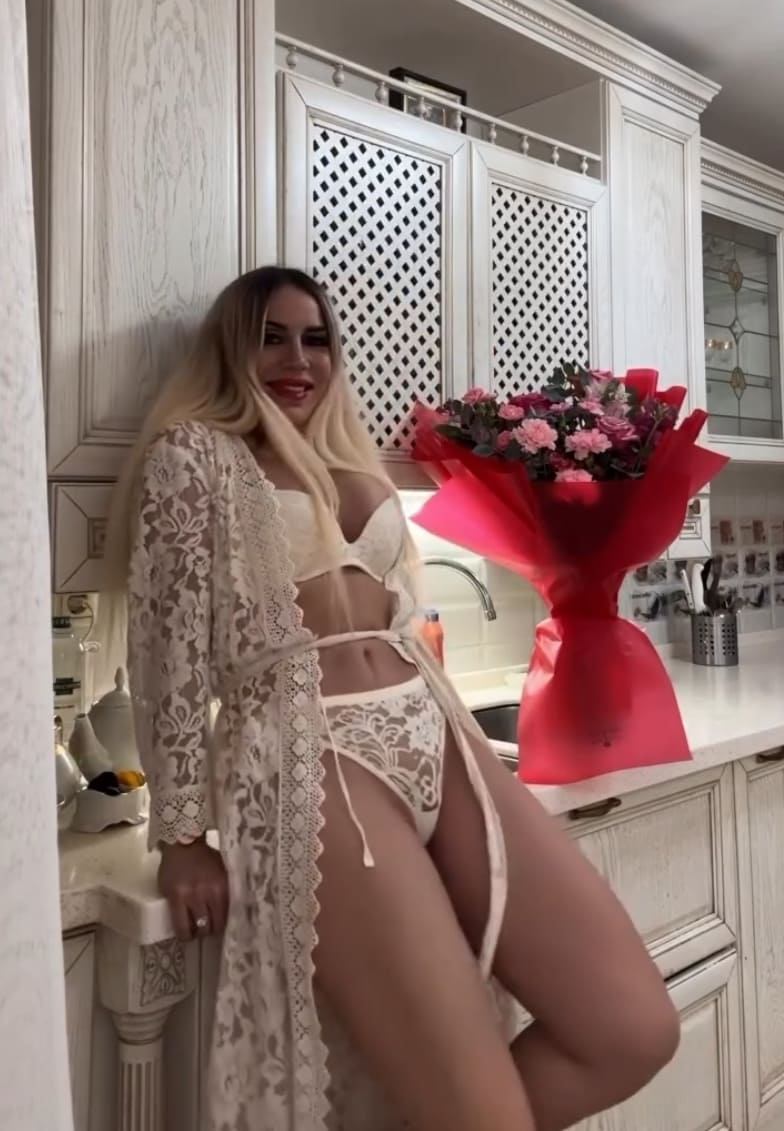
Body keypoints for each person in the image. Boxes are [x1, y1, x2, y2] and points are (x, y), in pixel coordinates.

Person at [110, 265, 679, 1131]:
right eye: (270, 337)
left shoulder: (348, 457)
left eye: (315, 338)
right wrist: (182, 833)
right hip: (309, 750)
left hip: (432, 728)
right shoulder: (194, 459)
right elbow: (167, 654)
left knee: (632, 1029)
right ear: (229, 349)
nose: (297, 358)